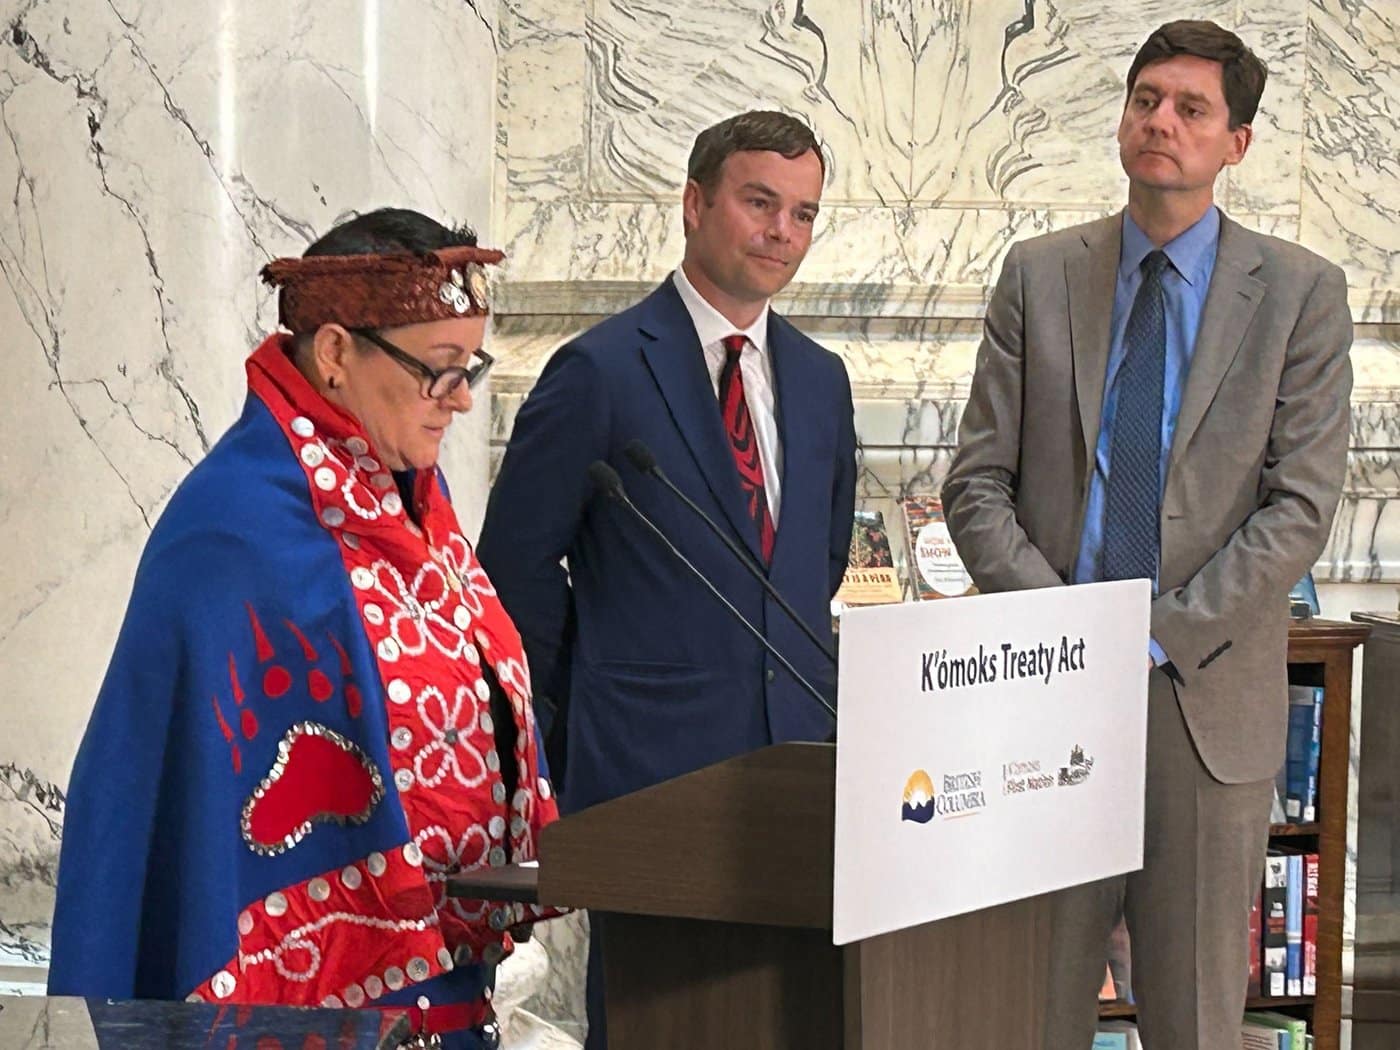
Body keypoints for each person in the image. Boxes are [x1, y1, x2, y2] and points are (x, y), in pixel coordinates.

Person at [49, 209, 559, 1050]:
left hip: (451, 996)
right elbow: (176, 813)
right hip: (303, 1016)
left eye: (471, 367)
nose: (463, 398)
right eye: (439, 371)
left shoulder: (408, 499)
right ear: (334, 354)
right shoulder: (234, 530)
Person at [943, 21, 1352, 1050]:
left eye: (1190, 108)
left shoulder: (1300, 294)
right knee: (1023, 1011)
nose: (1159, 121)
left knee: (1195, 1020)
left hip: (1199, 704)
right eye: (1145, 100)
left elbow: (1298, 507)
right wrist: (1070, 632)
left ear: (1235, 143)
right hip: (1046, 696)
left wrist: (1155, 634)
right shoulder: (1037, 274)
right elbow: (976, 486)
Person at [477, 110, 856, 1047]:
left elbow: (816, 560)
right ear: (694, 204)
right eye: (759, 202)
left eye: (803, 213)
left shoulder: (822, 379)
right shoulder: (598, 370)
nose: (781, 232)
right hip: (652, 778)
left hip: (799, 774)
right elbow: (515, 570)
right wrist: (583, 705)